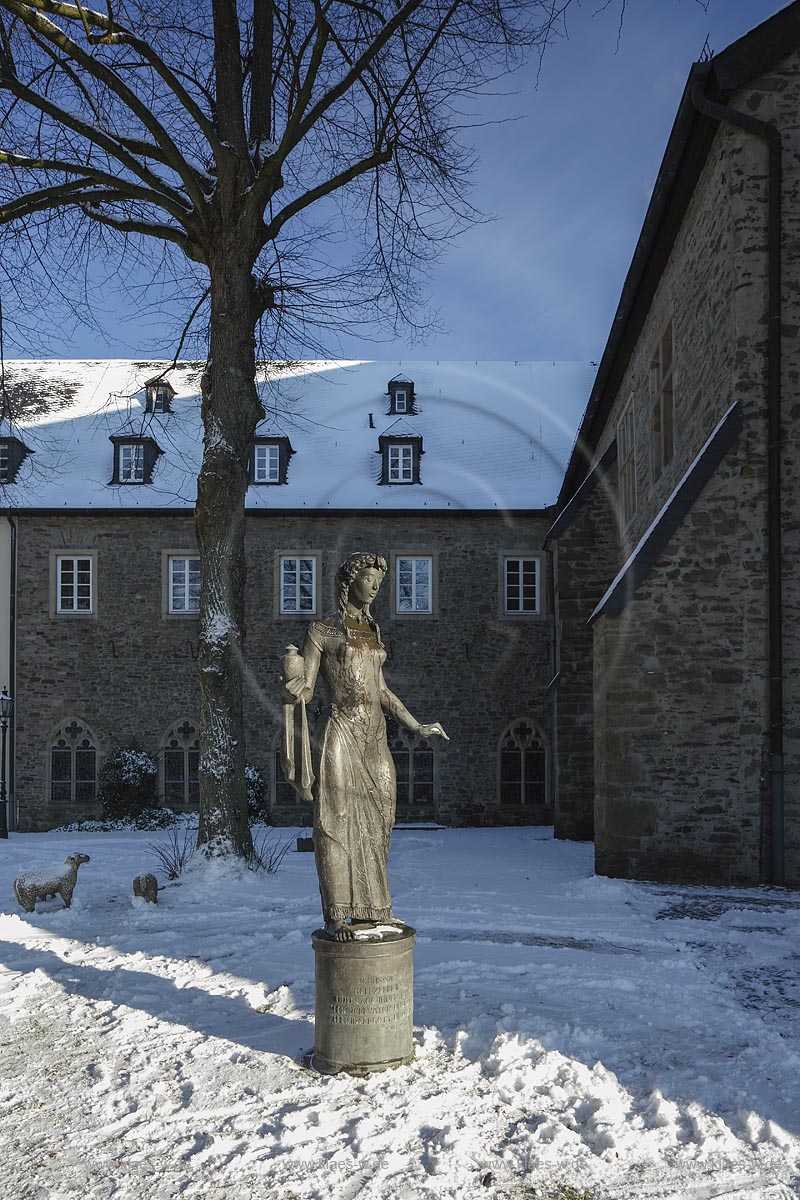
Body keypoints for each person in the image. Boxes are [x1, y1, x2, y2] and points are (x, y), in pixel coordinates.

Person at [281, 552, 448, 940]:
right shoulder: (322, 630)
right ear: (349, 581)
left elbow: (382, 691)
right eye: (369, 578)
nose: (375, 586)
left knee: (381, 818)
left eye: (378, 580)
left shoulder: (372, 631)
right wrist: (293, 684)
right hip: (340, 730)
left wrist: (417, 726)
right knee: (335, 822)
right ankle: (337, 914)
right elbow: (306, 686)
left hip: (374, 735)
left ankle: (373, 908)